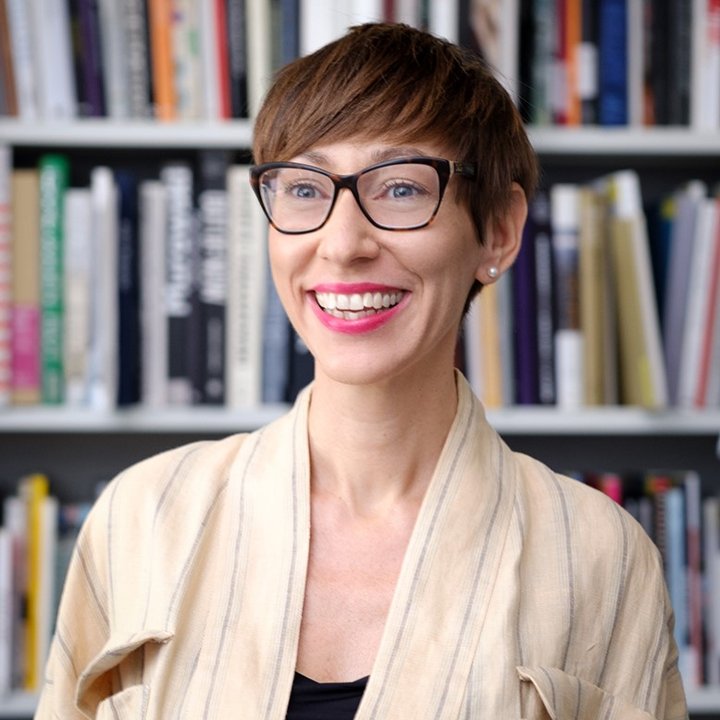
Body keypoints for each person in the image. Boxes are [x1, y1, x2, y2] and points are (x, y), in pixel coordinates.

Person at [36, 22, 687, 720]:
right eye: (304, 188)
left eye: (401, 188)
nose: (342, 244)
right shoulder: (141, 519)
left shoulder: (601, 556)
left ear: (498, 230)